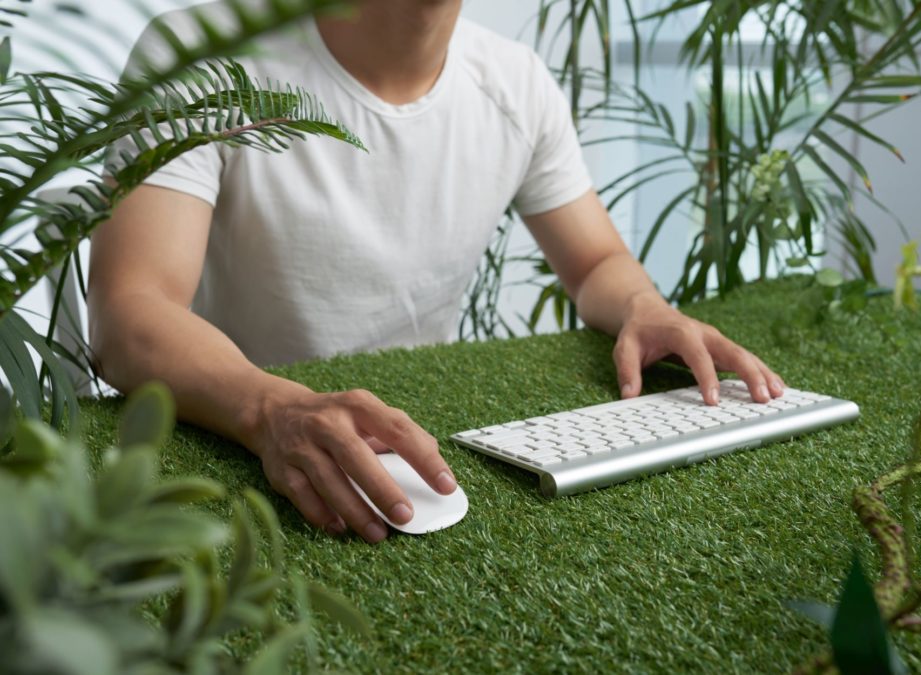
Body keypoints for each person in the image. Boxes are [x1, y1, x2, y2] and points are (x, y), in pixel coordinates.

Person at [89, 0, 786, 544]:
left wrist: (643, 305)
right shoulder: (201, 56)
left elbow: (597, 261)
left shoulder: (514, 84)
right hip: (220, 449)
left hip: (427, 450)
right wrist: (271, 408)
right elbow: (130, 311)